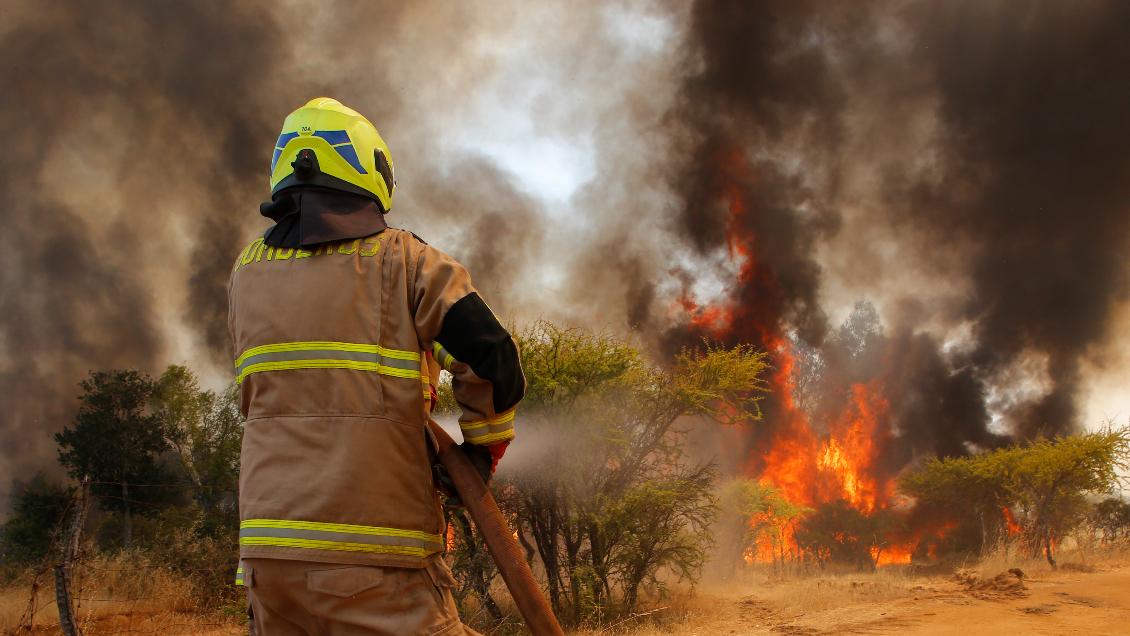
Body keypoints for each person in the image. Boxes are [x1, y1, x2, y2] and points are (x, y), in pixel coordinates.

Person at [228, 97, 525, 636]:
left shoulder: (246, 273)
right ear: (369, 169)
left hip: (268, 564)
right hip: (378, 558)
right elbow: (493, 356)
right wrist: (480, 452)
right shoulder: (406, 262)